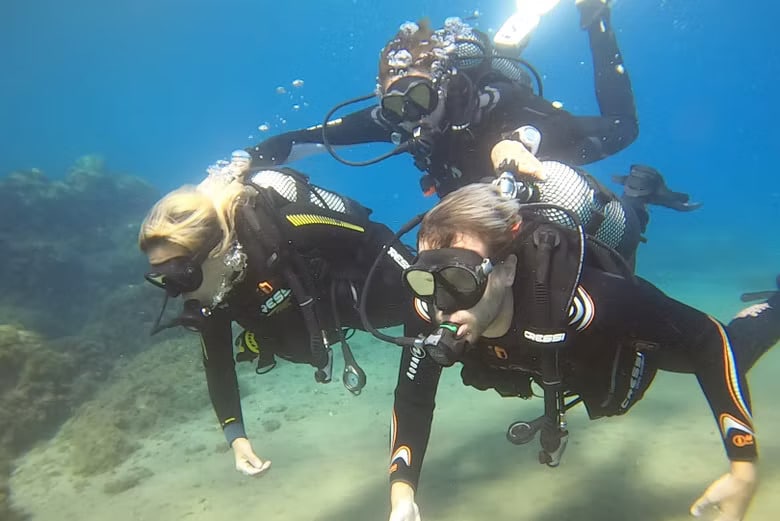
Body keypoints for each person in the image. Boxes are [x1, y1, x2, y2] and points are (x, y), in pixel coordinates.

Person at [376, 182, 779, 521]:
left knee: (729, 356)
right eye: (426, 279)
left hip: (621, 345)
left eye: (459, 279)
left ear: (508, 269)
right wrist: (402, 496)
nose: (443, 305)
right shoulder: (430, 306)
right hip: (551, 363)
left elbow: (708, 338)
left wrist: (743, 467)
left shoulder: (584, 300)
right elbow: (413, 400)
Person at [138, 154, 414, 476]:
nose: (178, 292)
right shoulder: (214, 292)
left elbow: (373, 234)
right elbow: (218, 365)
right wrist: (236, 438)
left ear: (213, 251)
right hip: (308, 318)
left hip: (364, 290)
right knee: (283, 341)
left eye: (180, 275)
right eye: (162, 280)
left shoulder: (285, 227)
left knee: (419, 311)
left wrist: (423, 285)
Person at [247, 3, 645, 199]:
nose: (410, 113)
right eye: (395, 102)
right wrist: (247, 160)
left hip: (535, 144)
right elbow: (309, 138)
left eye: (419, 94)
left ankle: (596, 17)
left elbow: (527, 124)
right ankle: (503, 44)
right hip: (474, 183)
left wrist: (515, 145)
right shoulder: (394, 118)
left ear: (443, 84)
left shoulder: (488, 99)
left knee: (624, 129)